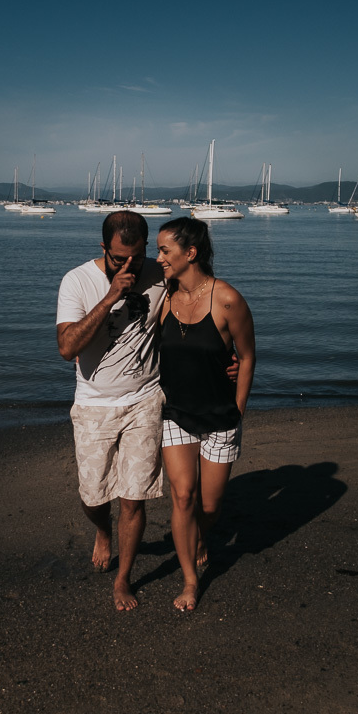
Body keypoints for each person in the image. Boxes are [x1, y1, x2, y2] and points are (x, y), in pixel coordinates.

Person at [56, 211, 166, 611]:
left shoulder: (160, 274)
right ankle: (103, 532)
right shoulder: (77, 280)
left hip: (144, 399)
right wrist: (110, 297)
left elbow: (200, 304)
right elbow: (67, 348)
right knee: (93, 495)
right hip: (94, 404)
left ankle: (124, 578)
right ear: (104, 249)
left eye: (136, 258)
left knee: (134, 498)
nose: (129, 267)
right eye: (119, 259)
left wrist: (229, 358)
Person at [155, 217, 256, 612]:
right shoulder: (162, 298)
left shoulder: (227, 300)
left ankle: (198, 536)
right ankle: (190, 581)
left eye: (165, 250)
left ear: (190, 253)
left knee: (209, 509)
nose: (159, 257)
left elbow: (247, 358)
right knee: (182, 496)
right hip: (175, 413)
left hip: (219, 415)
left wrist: (238, 409)